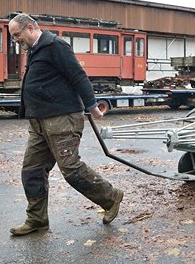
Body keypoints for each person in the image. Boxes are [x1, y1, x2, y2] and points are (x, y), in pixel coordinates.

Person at [7, 13, 123, 236]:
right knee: (32, 170)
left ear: (30, 27)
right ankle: (37, 219)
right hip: (39, 122)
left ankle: (111, 197)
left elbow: (78, 75)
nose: (16, 41)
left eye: (17, 35)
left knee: (71, 169)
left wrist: (92, 106)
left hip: (62, 119)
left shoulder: (55, 45)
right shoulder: (35, 49)